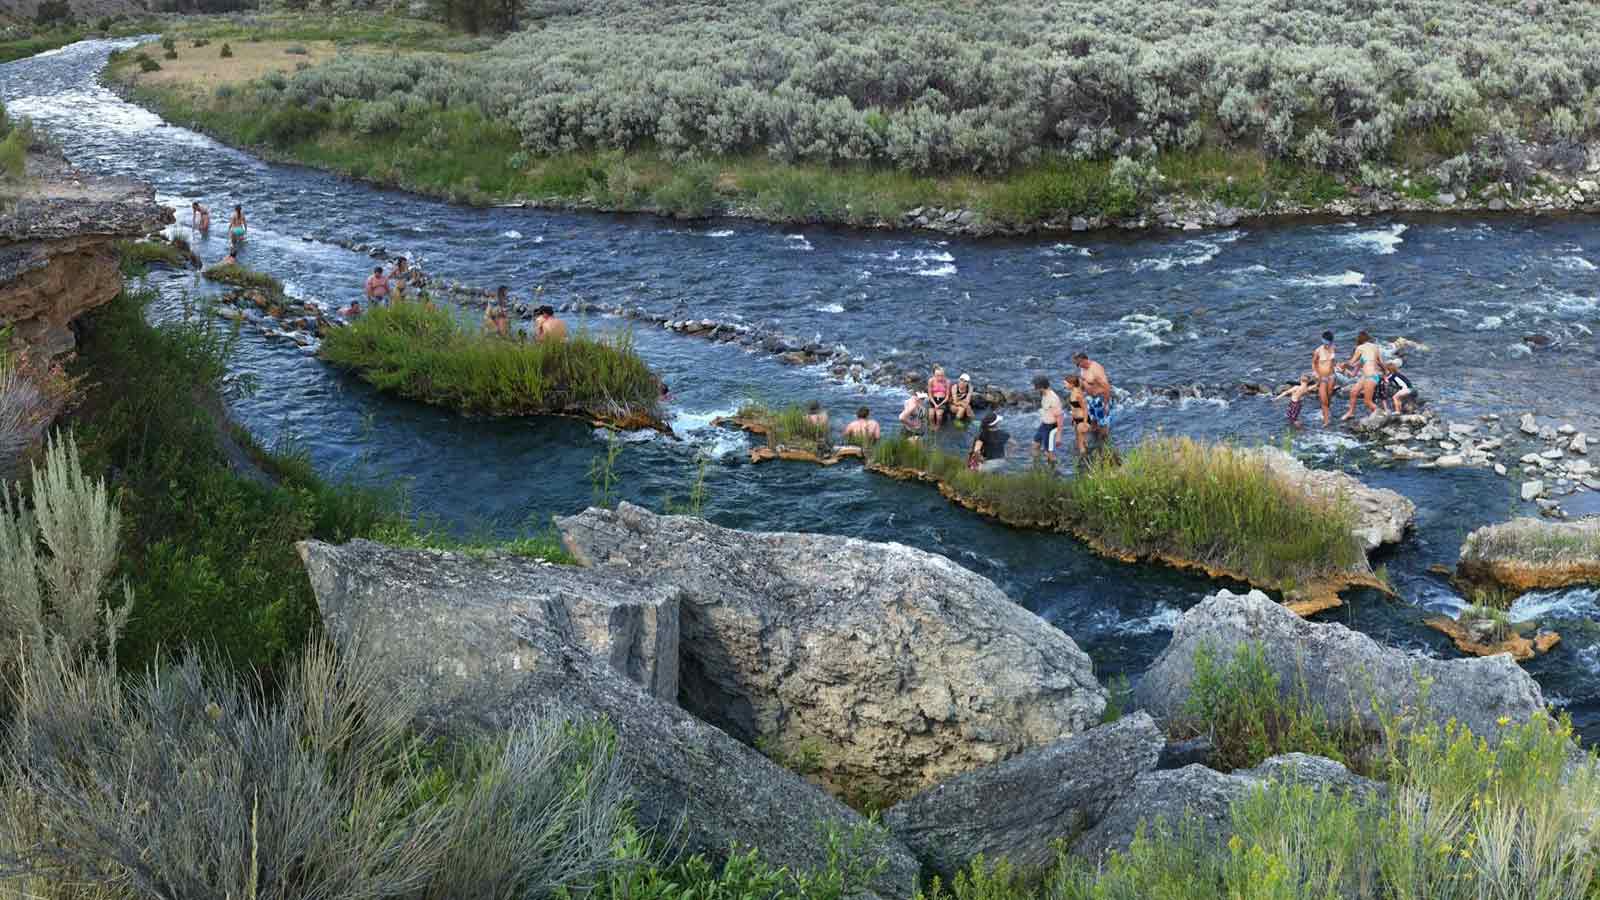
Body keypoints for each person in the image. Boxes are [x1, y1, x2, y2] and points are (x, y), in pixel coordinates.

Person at [1341, 330, 1386, 421]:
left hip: (1370, 377)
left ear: (1359, 340)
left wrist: (1342, 365)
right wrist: (1385, 373)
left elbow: (1351, 362)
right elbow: (1380, 362)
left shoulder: (1360, 348)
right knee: (1353, 392)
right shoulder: (1375, 347)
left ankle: (1382, 415)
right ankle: (1351, 413)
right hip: (1368, 376)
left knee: (1367, 402)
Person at [1074, 352, 1113, 439]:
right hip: (1091, 399)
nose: (1078, 366)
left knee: (1103, 424)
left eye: (1078, 363)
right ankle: (1095, 440)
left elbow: (1107, 387)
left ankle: (1105, 444)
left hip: (1101, 399)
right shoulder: (1082, 368)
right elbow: (1084, 381)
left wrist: (1106, 405)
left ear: (1084, 360)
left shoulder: (1096, 370)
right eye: (1076, 364)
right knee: (1092, 421)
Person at [1032, 375, 1063, 465]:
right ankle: (1036, 467)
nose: (1034, 388)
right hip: (1044, 425)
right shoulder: (1044, 394)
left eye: (1035, 386)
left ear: (1041, 387)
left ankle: (1053, 471)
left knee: (1049, 453)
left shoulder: (1053, 398)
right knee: (1035, 445)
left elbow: (1060, 416)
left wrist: (1058, 436)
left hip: (1050, 427)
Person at [1312, 330, 1339, 426]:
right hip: (1322, 377)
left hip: (1332, 376)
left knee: (1329, 397)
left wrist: (1339, 366)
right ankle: (1326, 421)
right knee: (1323, 399)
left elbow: (1333, 362)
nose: (1327, 344)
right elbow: (1314, 363)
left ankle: (1326, 412)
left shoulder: (1333, 348)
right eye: (1326, 342)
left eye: (1329, 342)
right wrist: (1316, 373)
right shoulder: (1318, 351)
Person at [1064, 373, 1091, 455]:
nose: (1064, 385)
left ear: (1071, 384)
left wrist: (1085, 423)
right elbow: (1074, 408)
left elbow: (1085, 409)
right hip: (1076, 419)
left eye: (1065, 383)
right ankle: (1087, 455)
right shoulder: (1072, 391)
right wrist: (1073, 418)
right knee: (1080, 441)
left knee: (1080, 444)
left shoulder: (1078, 394)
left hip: (1082, 419)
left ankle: (1084, 460)